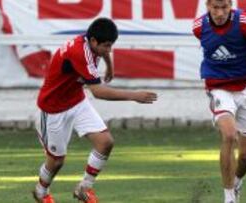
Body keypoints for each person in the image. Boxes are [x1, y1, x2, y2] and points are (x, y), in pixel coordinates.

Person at [32, 18, 157, 203]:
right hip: (53, 109)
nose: (109, 50)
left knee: (105, 142)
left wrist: (110, 66)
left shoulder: (91, 42)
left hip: (76, 101)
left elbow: (102, 53)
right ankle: (41, 191)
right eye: (107, 46)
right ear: (93, 41)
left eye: (111, 45)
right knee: (56, 161)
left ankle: (84, 188)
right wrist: (134, 95)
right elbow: (98, 92)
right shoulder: (79, 52)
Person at [193, 0, 246, 202]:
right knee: (229, 135)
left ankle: (237, 182)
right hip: (219, 89)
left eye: (224, 7)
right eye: (215, 7)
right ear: (207, 6)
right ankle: (229, 196)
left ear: (231, 5)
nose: (220, 12)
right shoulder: (198, 27)